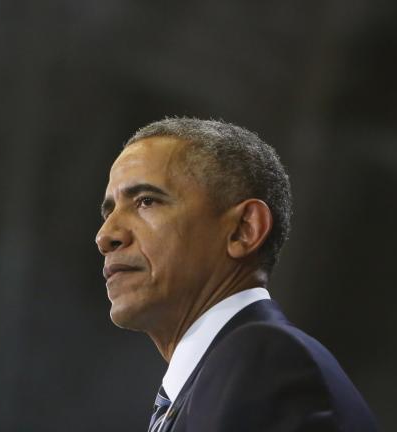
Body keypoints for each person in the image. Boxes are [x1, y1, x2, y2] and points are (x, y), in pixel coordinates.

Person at [95, 117, 377, 432]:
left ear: (244, 230)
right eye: (109, 212)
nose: (106, 235)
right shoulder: (217, 378)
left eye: (147, 201)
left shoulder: (261, 362)